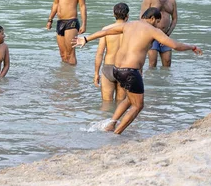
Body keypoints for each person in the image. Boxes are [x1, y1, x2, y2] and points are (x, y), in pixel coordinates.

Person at [73, 7, 202, 135]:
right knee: (138, 105)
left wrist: (85, 39)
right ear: (152, 19)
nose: (158, 25)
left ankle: (111, 124)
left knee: (130, 99)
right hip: (130, 72)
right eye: (157, 22)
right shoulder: (152, 30)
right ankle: (117, 133)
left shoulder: (128, 25)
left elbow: (106, 31)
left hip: (117, 69)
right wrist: (192, 47)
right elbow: (174, 45)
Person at [46, 0, 87, 65]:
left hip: (71, 22)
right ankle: (65, 77)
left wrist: (84, 24)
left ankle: (72, 80)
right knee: (63, 55)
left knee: (70, 54)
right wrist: (50, 19)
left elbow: (82, 6)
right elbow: (56, 3)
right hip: (60, 22)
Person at [140, 0, 178, 68]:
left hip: (165, 35)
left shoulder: (172, 0)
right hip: (152, 36)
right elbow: (142, 18)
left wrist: (167, 34)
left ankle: (164, 82)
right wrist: (151, 34)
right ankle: (152, 82)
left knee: (167, 63)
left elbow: (174, 19)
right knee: (152, 64)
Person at [94, 3, 129, 102]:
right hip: (125, 68)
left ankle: (106, 118)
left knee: (106, 104)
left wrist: (96, 73)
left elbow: (100, 53)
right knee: (121, 103)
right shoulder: (131, 30)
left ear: (114, 15)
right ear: (127, 15)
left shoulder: (106, 30)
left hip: (108, 68)